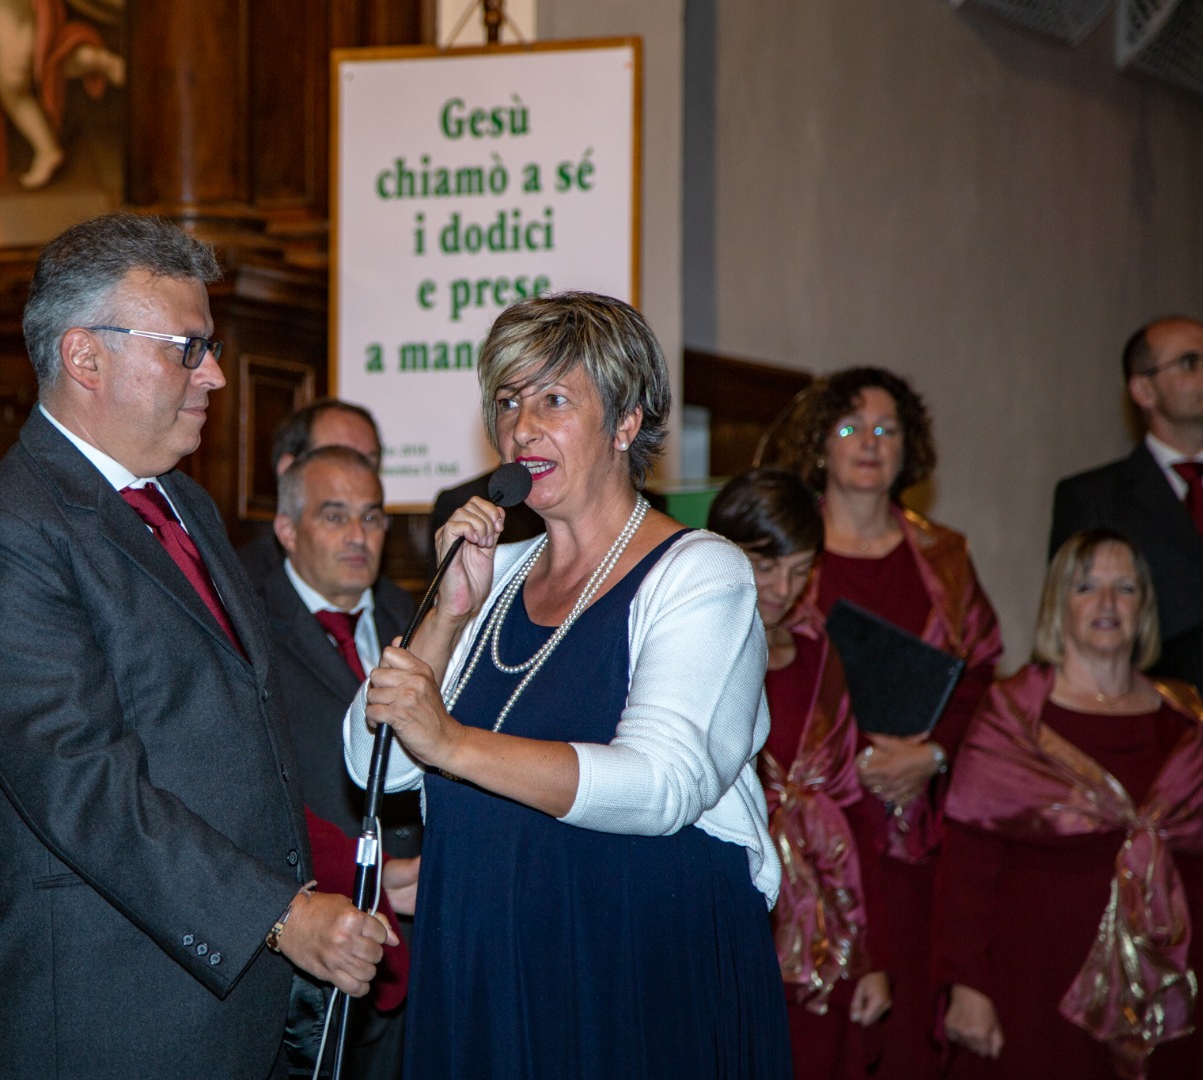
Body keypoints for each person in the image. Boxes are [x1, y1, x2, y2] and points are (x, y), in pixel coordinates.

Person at [0, 212, 390, 1080]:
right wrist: (281, 916)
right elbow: (83, 787)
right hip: (105, 1014)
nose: (214, 374)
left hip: (232, 999)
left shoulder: (183, 502)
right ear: (85, 357)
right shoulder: (3, 534)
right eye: (187, 348)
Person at [347, 291, 788, 1078]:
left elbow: (664, 784)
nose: (521, 428)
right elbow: (371, 759)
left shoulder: (699, 572)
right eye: (507, 401)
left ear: (625, 422)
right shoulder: (496, 575)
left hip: (629, 968)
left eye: (553, 399)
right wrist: (448, 614)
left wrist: (453, 742)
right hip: (485, 963)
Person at [770, 366, 1003, 1080]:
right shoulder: (781, 555)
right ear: (820, 444)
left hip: (913, 825)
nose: (869, 442)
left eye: (886, 428)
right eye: (850, 427)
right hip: (807, 832)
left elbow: (981, 679)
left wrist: (931, 756)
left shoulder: (944, 556)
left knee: (902, 1034)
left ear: (908, 448)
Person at [934, 529, 1203, 1079]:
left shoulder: (1186, 719)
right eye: (1087, 587)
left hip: (1169, 987)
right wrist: (967, 985)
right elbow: (965, 867)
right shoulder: (1013, 717)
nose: (1107, 603)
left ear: (1144, 608)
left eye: (1125, 588)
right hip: (1034, 983)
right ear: (1060, 604)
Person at [709, 468, 891, 1079]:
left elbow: (853, 807)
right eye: (765, 567)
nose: (783, 589)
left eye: (800, 569)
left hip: (821, 926)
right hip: (729, 918)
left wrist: (870, 957)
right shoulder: (692, 652)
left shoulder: (818, 654)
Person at [254, 444, 417, 1080]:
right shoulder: (247, 627)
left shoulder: (419, 618)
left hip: (420, 944)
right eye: (335, 515)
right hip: (311, 952)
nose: (358, 535)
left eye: (372, 517)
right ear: (286, 529)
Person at [1051, 316, 1203, 692]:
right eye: (1190, 362)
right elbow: (1076, 626)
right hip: (1153, 708)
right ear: (1144, 390)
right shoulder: (1093, 497)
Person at [0, 0, 125, 188]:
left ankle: (46, 149)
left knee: (13, 91)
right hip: (26, 14)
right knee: (48, 61)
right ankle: (92, 58)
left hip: (7, 21)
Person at [237, 398, 384, 585]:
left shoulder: (397, 600)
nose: (356, 476)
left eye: (368, 464)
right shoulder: (237, 588)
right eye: (336, 457)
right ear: (288, 470)